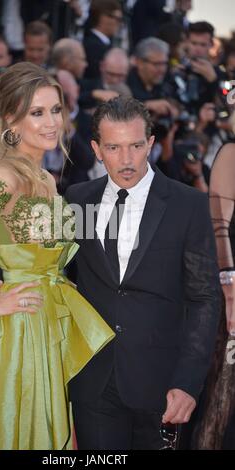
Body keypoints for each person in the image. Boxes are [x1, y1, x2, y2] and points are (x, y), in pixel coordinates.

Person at [0, 61, 114, 450]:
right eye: (37, 112)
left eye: (55, 109)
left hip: (46, 321)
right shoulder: (5, 177)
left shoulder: (46, 178)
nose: (52, 122)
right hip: (19, 332)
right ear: (12, 122)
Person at [64, 96, 221, 450]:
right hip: (94, 380)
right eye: (114, 147)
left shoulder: (188, 204)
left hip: (162, 383)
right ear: (96, 149)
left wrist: (187, 381)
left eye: (136, 145)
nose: (127, 159)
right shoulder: (78, 199)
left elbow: (204, 298)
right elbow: (49, 261)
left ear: (150, 143)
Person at [191, 143, 235, 449]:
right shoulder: (232, 153)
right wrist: (230, 289)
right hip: (231, 297)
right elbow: (218, 226)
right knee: (223, 395)